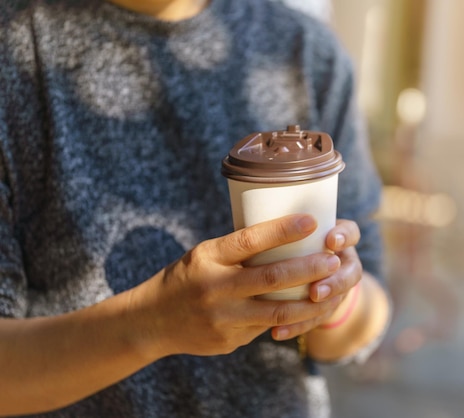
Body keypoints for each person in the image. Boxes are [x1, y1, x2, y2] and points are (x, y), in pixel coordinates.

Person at [0, 0, 391, 416]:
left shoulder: (306, 51)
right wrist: (151, 324)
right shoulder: (14, 54)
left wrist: (329, 297)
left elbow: (369, 302)